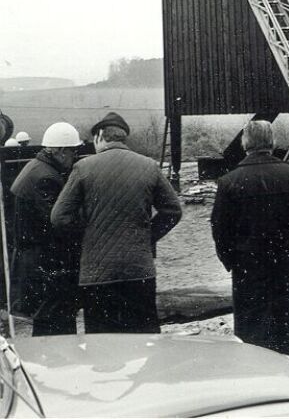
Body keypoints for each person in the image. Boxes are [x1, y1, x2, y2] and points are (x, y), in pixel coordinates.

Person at [51, 111, 182, 334]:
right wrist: (148, 235)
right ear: (123, 138)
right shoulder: (149, 166)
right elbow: (173, 210)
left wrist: (88, 237)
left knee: (103, 345)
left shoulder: (83, 168)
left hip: (96, 274)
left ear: (100, 136)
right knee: (144, 339)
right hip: (139, 271)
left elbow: (59, 217)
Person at [211, 120, 289, 362]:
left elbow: (220, 231)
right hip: (287, 269)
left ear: (245, 143)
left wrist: (233, 262)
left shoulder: (229, 182)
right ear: (272, 142)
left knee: (254, 339)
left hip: (248, 272)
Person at [10, 121, 82, 336]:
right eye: (73, 152)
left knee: (48, 319)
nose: (74, 157)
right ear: (60, 151)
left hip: (34, 258)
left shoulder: (37, 167)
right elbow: (58, 223)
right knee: (56, 320)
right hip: (45, 260)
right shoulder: (46, 178)